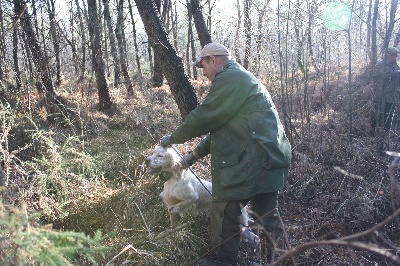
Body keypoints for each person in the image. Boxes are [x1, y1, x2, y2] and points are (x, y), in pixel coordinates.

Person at [160, 42, 292, 265]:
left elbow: (206, 115)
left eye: (203, 66)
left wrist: (174, 138)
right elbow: (221, 131)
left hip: (255, 160)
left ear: (213, 60)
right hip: (269, 157)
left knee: (224, 211)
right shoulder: (239, 78)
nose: (203, 73)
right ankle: (278, 261)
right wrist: (191, 157)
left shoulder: (229, 78)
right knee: (266, 215)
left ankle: (226, 262)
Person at [371, 46, 400, 131]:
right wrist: (396, 73)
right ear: (389, 55)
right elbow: (384, 75)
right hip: (379, 96)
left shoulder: (396, 66)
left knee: (389, 116)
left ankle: (386, 133)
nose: (396, 57)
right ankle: (373, 133)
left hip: (391, 96)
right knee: (376, 115)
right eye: (394, 55)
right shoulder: (380, 65)